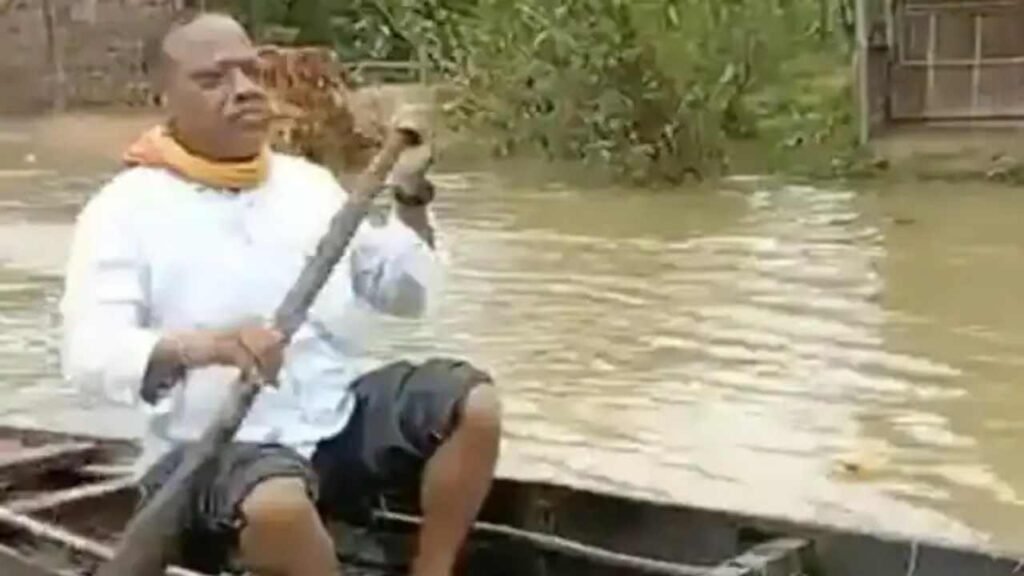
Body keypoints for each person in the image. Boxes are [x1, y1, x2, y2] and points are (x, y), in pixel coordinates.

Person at [59, 10, 501, 576]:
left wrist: (410, 199)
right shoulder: (124, 209)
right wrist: (209, 348)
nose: (244, 90)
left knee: (473, 404)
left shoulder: (306, 184)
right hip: (209, 455)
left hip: (330, 424)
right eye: (214, 79)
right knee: (278, 506)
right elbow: (90, 354)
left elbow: (404, 295)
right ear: (162, 96)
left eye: (251, 71)